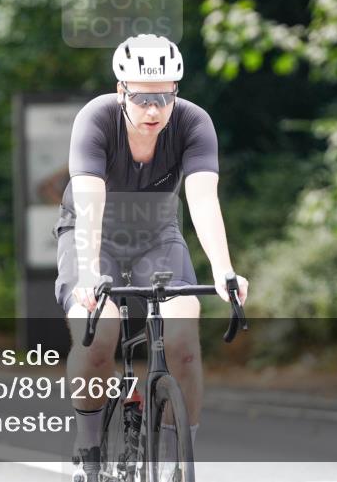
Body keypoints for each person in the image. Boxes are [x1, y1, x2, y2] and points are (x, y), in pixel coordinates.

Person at [55, 34, 250, 479]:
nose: (153, 109)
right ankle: (88, 454)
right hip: (93, 235)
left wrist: (224, 271)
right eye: (142, 98)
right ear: (121, 89)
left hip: (156, 235)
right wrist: (88, 277)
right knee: (99, 335)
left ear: (176, 91)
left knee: (182, 342)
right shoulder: (96, 120)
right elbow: (89, 206)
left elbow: (202, 201)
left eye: (164, 96)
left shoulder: (194, 122)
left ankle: (177, 463)